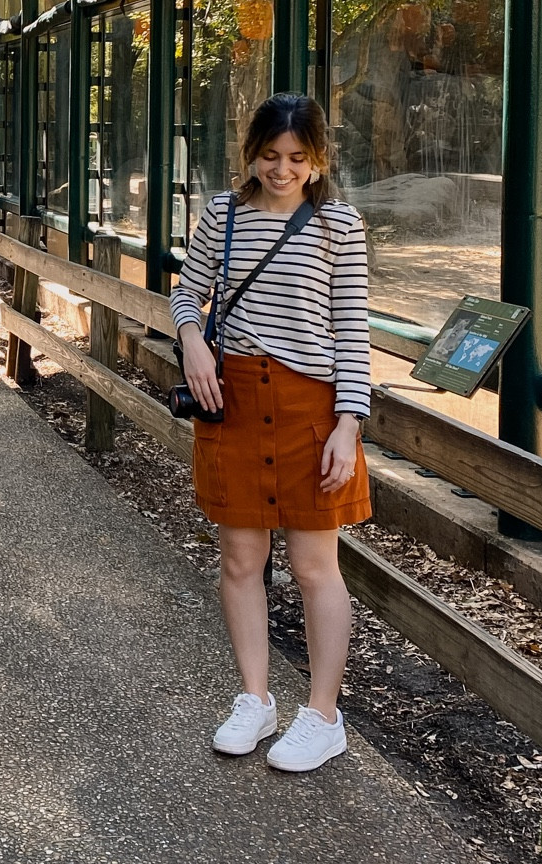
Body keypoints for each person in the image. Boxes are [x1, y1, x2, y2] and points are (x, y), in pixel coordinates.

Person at [168, 92, 371, 774]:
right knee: (240, 559)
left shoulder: (339, 224)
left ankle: (323, 715)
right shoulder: (223, 215)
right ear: (250, 152)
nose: (282, 170)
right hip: (231, 398)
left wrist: (347, 425)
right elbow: (186, 291)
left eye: (297, 158)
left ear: (318, 159)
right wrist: (193, 342)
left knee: (315, 566)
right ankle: (255, 699)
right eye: (270, 156)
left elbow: (352, 332)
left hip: (310, 407)